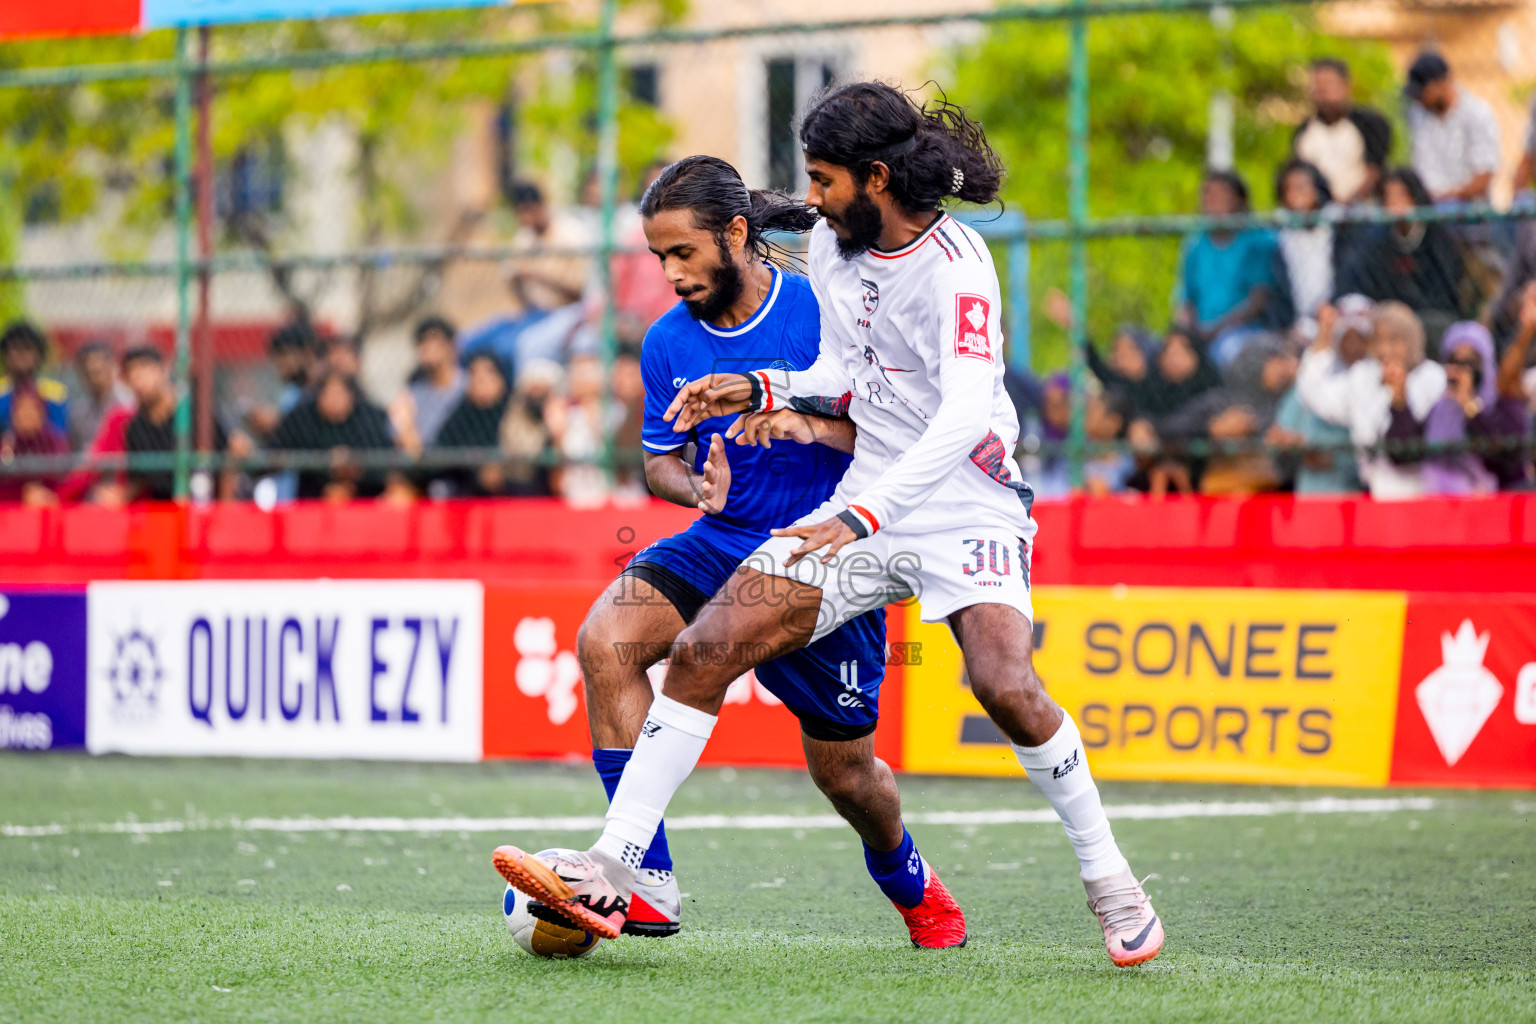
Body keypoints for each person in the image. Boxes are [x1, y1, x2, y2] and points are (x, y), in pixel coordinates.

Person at [494, 84, 1163, 968]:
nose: (809, 197)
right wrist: (764, 391)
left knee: (1002, 684)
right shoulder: (830, 246)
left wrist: (864, 513)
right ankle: (620, 866)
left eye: (823, 177)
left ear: (875, 177)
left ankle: (1111, 880)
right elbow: (842, 377)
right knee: (699, 654)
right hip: (865, 501)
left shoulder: (960, 266)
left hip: (964, 502)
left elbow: (964, 416)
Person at [559, 155, 948, 946]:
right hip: (721, 538)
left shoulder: (822, 308)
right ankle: (647, 881)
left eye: (683, 253)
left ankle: (909, 878)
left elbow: (886, 426)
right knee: (606, 641)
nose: (670, 274)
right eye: (658, 257)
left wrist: (803, 421)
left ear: (736, 234)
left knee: (849, 778)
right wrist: (690, 487)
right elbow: (658, 457)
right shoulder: (667, 341)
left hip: (822, 553)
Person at [1296, 301, 1446, 499]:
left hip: (1425, 493)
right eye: (1377, 341)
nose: (1385, 350)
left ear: (1412, 341)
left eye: (1394, 341)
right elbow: (1314, 395)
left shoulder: (1433, 378)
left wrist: (1400, 396)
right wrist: (1324, 339)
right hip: (1373, 494)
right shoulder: (1363, 377)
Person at [1337, 167, 1467, 353]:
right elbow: (1367, 284)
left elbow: (1445, 293)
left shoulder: (1438, 239)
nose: (1394, 204)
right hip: (1388, 315)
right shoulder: (1379, 242)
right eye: (1389, 197)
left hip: (1431, 316)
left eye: (1401, 196)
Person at [1398, 319, 1531, 493]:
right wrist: (1399, 400)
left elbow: (1503, 459)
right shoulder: (1440, 409)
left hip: (1498, 505)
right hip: (1442, 504)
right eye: (1454, 361)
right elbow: (1403, 452)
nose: (1461, 370)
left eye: (1470, 362)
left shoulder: (1503, 402)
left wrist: (1469, 405)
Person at [1155, 335, 1298, 496]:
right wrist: (1211, 429)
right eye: (1273, 360)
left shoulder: (1288, 403)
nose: (1282, 368)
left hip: (1272, 497)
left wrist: (1282, 442)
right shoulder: (1219, 402)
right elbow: (1167, 429)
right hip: (1219, 496)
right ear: (1254, 363)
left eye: (1282, 361)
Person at [1176, 169, 1278, 368]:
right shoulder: (1195, 244)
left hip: (1242, 330)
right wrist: (1188, 332)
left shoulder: (1257, 240)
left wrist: (1216, 330)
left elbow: (1258, 300)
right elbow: (1185, 301)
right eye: (1207, 194)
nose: (1211, 201)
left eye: (1220, 194)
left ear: (1238, 200)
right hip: (1200, 331)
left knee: (1227, 350)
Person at [1272, 299, 1370, 494]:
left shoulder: (1370, 383)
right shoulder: (1304, 388)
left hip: (1353, 493)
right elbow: (1279, 433)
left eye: (1361, 338)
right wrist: (1290, 445)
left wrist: (1333, 457)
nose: (1353, 346)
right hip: (1310, 493)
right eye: (1346, 338)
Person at [120, 346, 242, 502]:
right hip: (164, 510)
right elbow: (138, 480)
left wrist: (224, 512)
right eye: (132, 373)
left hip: (207, 504)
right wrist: (119, 496)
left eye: (145, 369)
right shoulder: (136, 428)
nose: (138, 379)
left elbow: (232, 450)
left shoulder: (197, 410)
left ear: (164, 369)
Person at [267, 370, 399, 501]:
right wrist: (325, 465)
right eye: (328, 394)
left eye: (339, 394)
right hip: (314, 496)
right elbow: (274, 454)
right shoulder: (302, 419)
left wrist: (357, 470)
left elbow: (390, 465)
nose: (334, 400)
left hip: (366, 494)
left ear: (351, 396)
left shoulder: (371, 418)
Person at [1292, 58, 1393, 206]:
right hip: (1319, 214)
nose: (1322, 91)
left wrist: (1349, 203)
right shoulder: (1304, 132)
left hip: (1362, 211)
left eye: (1329, 84)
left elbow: (1376, 170)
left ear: (1346, 86)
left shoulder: (1369, 124)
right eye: (1317, 85)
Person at [1404, 52, 1501, 205]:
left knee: (1448, 208)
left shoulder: (1477, 113)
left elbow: (1481, 182)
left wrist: (1442, 197)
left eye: (1423, 91)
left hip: (1468, 209)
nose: (1419, 97)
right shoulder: (1418, 115)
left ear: (1443, 83)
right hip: (1429, 207)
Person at [1270, 160, 1352, 332]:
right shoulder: (1281, 236)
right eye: (1290, 188)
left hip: (1337, 310)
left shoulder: (1339, 227)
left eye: (1302, 186)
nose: (1297, 194)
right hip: (1299, 320)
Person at [429, 351, 511, 498]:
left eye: (488, 373)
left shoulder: (512, 410)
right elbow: (440, 452)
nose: (480, 379)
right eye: (474, 374)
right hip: (465, 487)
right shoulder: (461, 414)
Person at [506, 180, 593, 314]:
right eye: (520, 212)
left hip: (568, 313)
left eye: (528, 210)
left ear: (541, 206)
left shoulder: (570, 233)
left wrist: (539, 276)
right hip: (534, 313)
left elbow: (582, 293)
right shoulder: (524, 238)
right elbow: (512, 278)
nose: (525, 218)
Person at [389, 316, 464, 458]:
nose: (429, 348)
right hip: (426, 467)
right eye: (423, 342)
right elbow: (403, 440)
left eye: (435, 341)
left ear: (452, 346)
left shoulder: (470, 386)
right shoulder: (411, 394)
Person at [0, 384, 70, 504]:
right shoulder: (7, 443)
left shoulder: (55, 441)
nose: (27, 414)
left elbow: (69, 481)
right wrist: (23, 494)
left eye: (32, 408)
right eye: (21, 408)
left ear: (42, 413)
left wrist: (49, 495)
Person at [0, 321, 68, 435]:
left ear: (39, 355)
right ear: (6, 354)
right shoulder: (2, 391)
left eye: (27, 348)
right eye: (15, 348)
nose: (21, 354)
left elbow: (61, 433)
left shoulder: (55, 393)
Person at [66, 340, 132, 452]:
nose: (94, 379)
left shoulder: (126, 403)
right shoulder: (78, 409)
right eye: (88, 373)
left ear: (111, 367)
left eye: (98, 372)